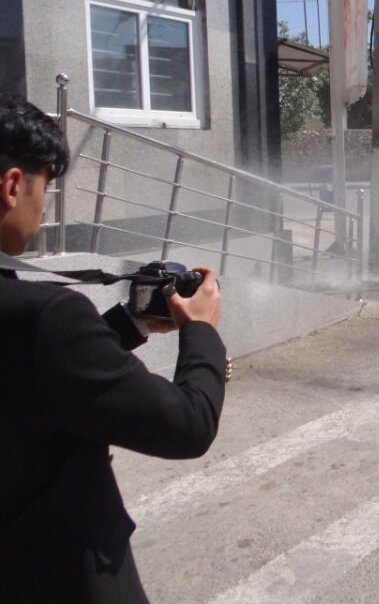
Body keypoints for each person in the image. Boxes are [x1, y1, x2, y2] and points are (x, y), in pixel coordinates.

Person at [0, 93, 228, 602]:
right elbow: (186, 425)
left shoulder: (33, 320)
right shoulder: (47, 317)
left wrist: (129, 324)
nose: (43, 208)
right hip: (62, 577)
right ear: (14, 185)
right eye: (46, 189)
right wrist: (203, 332)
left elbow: (36, 378)